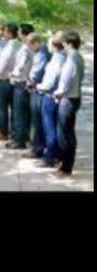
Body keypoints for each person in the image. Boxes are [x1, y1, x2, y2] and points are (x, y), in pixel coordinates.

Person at [33, 32, 67, 167]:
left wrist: (38, 86)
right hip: (57, 97)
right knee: (56, 128)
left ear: (54, 45)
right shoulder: (63, 58)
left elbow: (48, 82)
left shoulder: (56, 60)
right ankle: (57, 155)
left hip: (49, 96)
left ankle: (50, 157)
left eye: (48, 43)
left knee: (50, 129)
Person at [54, 31, 85, 177]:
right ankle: (66, 163)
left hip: (68, 98)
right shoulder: (78, 57)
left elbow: (66, 79)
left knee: (64, 134)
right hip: (75, 97)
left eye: (64, 42)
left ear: (69, 43)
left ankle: (65, 167)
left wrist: (59, 92)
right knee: (69, 133)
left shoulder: (72, 58)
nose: (63, 44)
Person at [5, 22, 35, 150]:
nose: (18, 33)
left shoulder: (24, 48)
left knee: (19, 113)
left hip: (20, 83)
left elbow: (20, 66)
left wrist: (12, 74)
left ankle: (19, 140)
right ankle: (25, 135)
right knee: (26, 113)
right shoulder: (32, 48)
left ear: (23, 34)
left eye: (20, 32)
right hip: (27, 82)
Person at [0, 23, 20, 141]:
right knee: (13, 107)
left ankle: (2, 132)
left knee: (1, 106)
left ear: (9, 33)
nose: (3, 33)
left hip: (4, 78)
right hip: (13, 78)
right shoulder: (19, 44)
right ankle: (13, 130)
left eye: (5, 31)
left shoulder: (9, 46)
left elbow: (3, 62)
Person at [22, 33, 51, 159]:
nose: (30, 49)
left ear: (36, 43)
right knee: (39, 122)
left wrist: (29, 82)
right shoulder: (42, 52)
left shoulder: (41, 54)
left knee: (37, 122)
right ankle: (40, 147)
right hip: (39, 90)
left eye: (30, 46)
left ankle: (37, 149)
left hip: (38, 91)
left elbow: (36, 74)